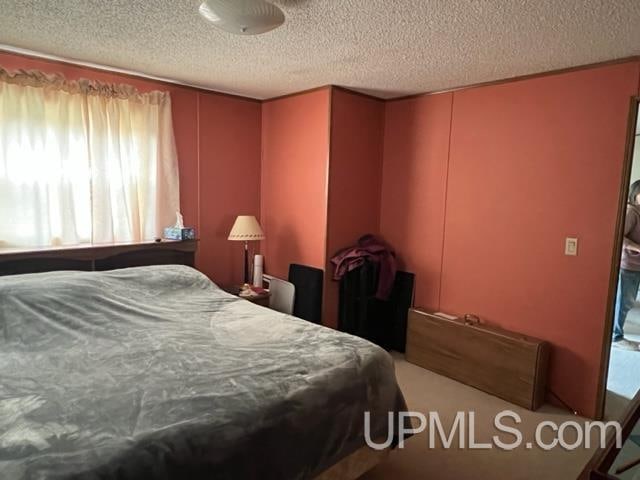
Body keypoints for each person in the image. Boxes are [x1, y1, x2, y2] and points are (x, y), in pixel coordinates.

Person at [613, 180, 640, 350]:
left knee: (628, 301)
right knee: (624, 302)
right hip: (628, 265)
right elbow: (618, 237)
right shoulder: (632, 212)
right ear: (635, 194)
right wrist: (638, 248)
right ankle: (616, 336)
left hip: (637, 265)